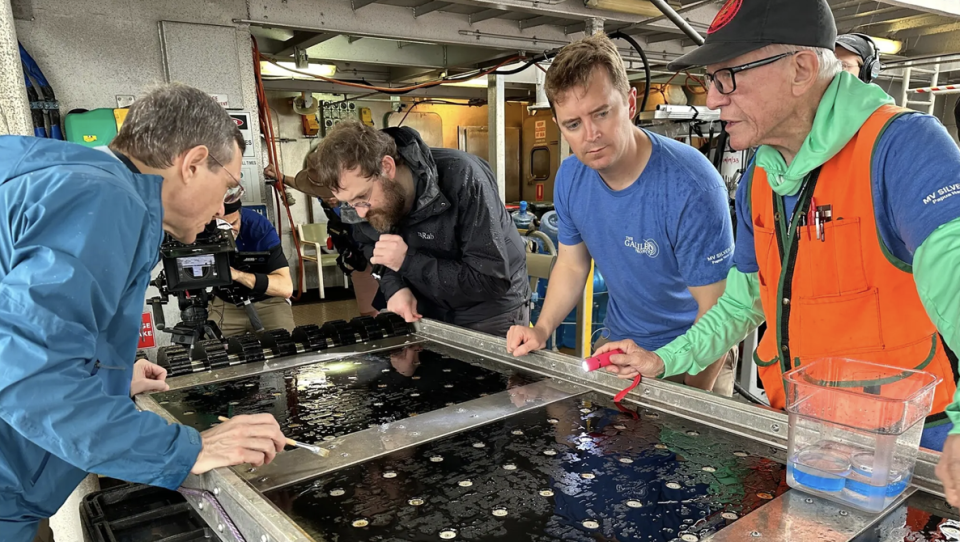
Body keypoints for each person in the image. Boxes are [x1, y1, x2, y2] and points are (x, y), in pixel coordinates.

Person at [589, 0, 960, 500]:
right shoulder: (761, 178)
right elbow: (744, 304)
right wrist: (663, 360)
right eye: (709, 81)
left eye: (727, 77)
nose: (714, 100)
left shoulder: (903, 149)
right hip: (804, 441)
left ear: (801, 68)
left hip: (903, 456)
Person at [0, 83, 286, 542]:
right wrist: (186, 449)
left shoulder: (61, 173)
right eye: (228, 187)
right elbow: (30, 376)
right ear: (192, 164)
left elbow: (29, 327)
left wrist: (108, 376)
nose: (221, 211)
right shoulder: (104, 200)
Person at [504, 33, 738, 396]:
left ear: (629, 103)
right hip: (620, 350)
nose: (591, 135)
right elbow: (571, 264)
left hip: (693, 357)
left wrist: (692, 400)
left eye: (601, 113)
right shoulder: (570, 177)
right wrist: (541, 329)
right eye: (573, 124)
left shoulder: (692, 186)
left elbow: (717, 313)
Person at [300, 120, 530, 336]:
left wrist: (408, 262)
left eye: (362, 198)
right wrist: (394, 287)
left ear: (387, 166)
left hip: (489, 310)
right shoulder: (361, 198)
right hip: (426, 303)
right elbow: (373, 246)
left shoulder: (463, 176)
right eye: (350, 203)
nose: (360, 212)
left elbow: (490, 280)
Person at [265, 163, 382, 317]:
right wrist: (281, 177)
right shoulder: (323, 195)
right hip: (357, 257)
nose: (329, 198)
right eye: (323, 194)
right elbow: (303, 186)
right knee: (369, 312)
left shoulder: (365, 196)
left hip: (381, 253)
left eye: (333, 192)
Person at [209, 200, 296, 335]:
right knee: (210, 351)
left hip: (268, 301)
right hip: (226, 303)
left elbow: (285, 288)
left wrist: (237, 275)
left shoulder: (258, 227)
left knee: (286, 345)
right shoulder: (199, 228)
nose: (230, 232)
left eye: (233, 224)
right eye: (223, 226)